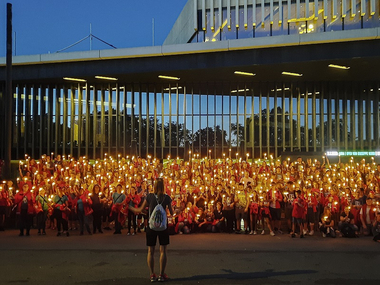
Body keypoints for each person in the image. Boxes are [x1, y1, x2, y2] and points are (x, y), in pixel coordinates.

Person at [129, 178, 173, 283]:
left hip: (151, 227)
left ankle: (152, 274)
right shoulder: (167, 198)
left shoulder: (149, 197)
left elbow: (140, 210)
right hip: (163, 226)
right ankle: (161, 274)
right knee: (163, 250)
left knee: (150, 251)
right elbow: (171, 212)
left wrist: (131, 208)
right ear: (163, 186)